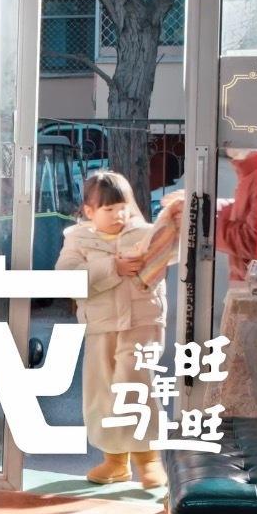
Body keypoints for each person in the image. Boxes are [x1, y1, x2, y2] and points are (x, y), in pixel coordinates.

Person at [55, 171, 183, 488]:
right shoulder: (77, 239)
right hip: (101, 325)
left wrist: (177, 218)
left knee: (136, 384)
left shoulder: (145, 232)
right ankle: (115, 461)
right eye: (109, 209)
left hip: (143, 321)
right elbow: (66, 278)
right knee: (102, 392)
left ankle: (148, 460)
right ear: (89, 211)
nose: (118, 215)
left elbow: (174, 250)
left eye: (123, 206)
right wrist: (113, 267)